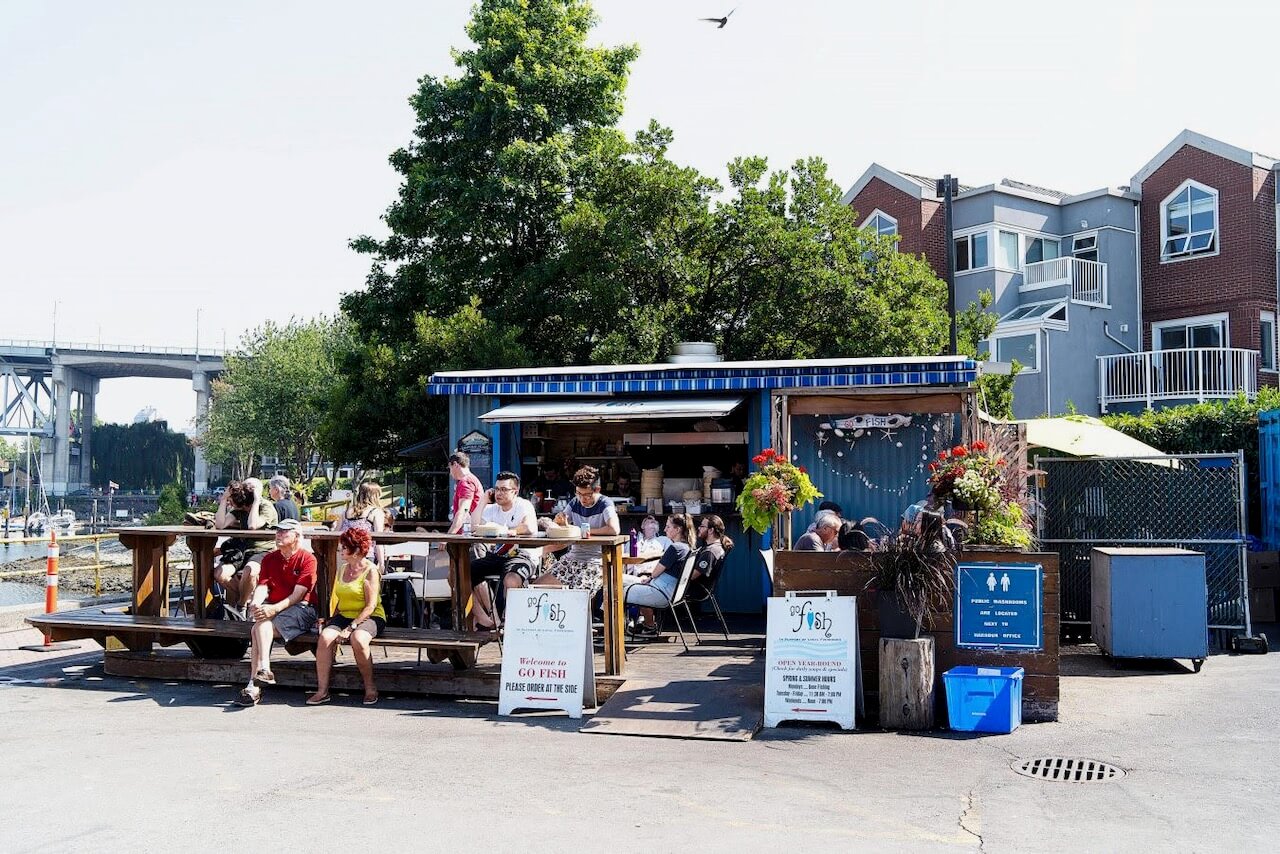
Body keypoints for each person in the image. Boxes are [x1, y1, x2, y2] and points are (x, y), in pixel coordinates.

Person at [236, 519, 318, 706]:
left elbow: (299, 595)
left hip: (303, 608)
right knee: (259, 625)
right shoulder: (269, 558)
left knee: (258, 628)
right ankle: (263, 672)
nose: (278, 535)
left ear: (297, 536)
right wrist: (256, 603)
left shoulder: (308, 559)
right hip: (275, 608)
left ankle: (253, 684)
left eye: (284, 532)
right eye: (277, 532)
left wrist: (273, 608)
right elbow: (263, 586)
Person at [307, 527, 385, 706]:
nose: (340, 549)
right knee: (325, 638)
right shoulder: (342, 568)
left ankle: (370, 687)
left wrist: (351, 628)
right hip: (345, 614)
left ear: (356, 550)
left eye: (344, 547)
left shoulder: (371, 571)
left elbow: (370, 606)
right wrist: (329, 620)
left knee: (358, 639)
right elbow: (337, 598)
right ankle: (322, 691)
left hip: (371, 616)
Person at [469, 471, 541, 630]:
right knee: (457, 575)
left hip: (521, 555)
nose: (498, 493)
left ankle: (510, 623)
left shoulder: (523, 505)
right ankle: (484, 617)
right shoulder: (491, 509)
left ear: (515, 491)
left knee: (511, 580)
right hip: (496, 556)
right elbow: (474, 527)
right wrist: (482, 501)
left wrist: (509, 531)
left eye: (503, 489)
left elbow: (529, 527)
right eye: (496, 489)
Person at [536, 465, 620, 594]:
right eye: (578, 493)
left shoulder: (605, 503)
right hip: (572, 559)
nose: (582, 499)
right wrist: (558, 523)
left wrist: (581, 530)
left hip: (595, 562)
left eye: (587, 495)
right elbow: (561, 526)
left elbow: (614, 529)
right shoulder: (574, 503)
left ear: (597, 489)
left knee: (578, 596)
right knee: (537, 587)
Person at [623, 514, 695, 636]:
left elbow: (656, 572)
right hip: (668, 591)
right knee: (620, 579)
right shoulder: (687, 547)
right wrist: (649, 578)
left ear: (677, 530)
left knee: (615, 590)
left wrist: (649, 578)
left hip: (660, 593)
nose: (664, 529)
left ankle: (613, 629)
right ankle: (647, 625)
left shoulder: (675, 548)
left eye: (668, 527)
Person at [212, 478, 279, 607]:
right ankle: (244, 599)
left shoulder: (265, 506)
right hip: (242, 550)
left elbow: (253, 525)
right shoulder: (240, 508)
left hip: (263, 550)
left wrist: (256, 500)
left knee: (251, 570)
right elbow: (220, 525)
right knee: (219, 574)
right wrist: (224, 499)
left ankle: (241, 605)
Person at [689, 514, 735, 595]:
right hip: (700, 589)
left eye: (702, 526)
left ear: (711, 530)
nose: (699, 528)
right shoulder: (717, 546)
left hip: (695, 590)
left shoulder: (710, 552)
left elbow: (691, 576)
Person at [447, 451, 487, 533]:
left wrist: (449, 535)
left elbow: (464, 510)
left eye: (450, 468)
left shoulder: (466, 481)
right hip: (470, 531)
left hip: (467, 534)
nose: (450, 473)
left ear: (455, 464)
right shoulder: (471, 479)